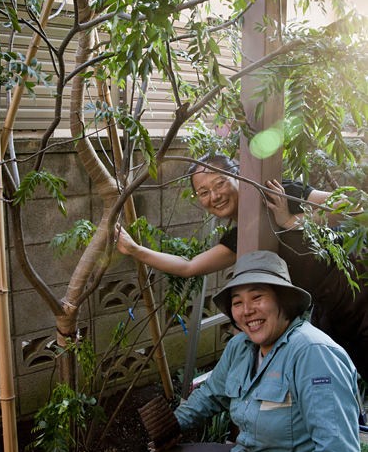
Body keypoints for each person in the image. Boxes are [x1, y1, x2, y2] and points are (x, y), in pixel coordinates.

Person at [140, 250, 361, 452]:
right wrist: (173, 425)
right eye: (237, 302)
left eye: (257, 298)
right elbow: (212, 394)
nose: (247, 310)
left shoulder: (312, 354)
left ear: (284, 300)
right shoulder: (242, 346)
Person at [116, 154, 368, 381]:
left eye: (219, 183)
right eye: (203, 192)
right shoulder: (243, 237)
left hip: (361, 290)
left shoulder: (277, 193)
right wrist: (135, 250)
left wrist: (290, 221)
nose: (214, 196)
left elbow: (353, 209)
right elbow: (189, 266)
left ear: (237, 175)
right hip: (333, 313)